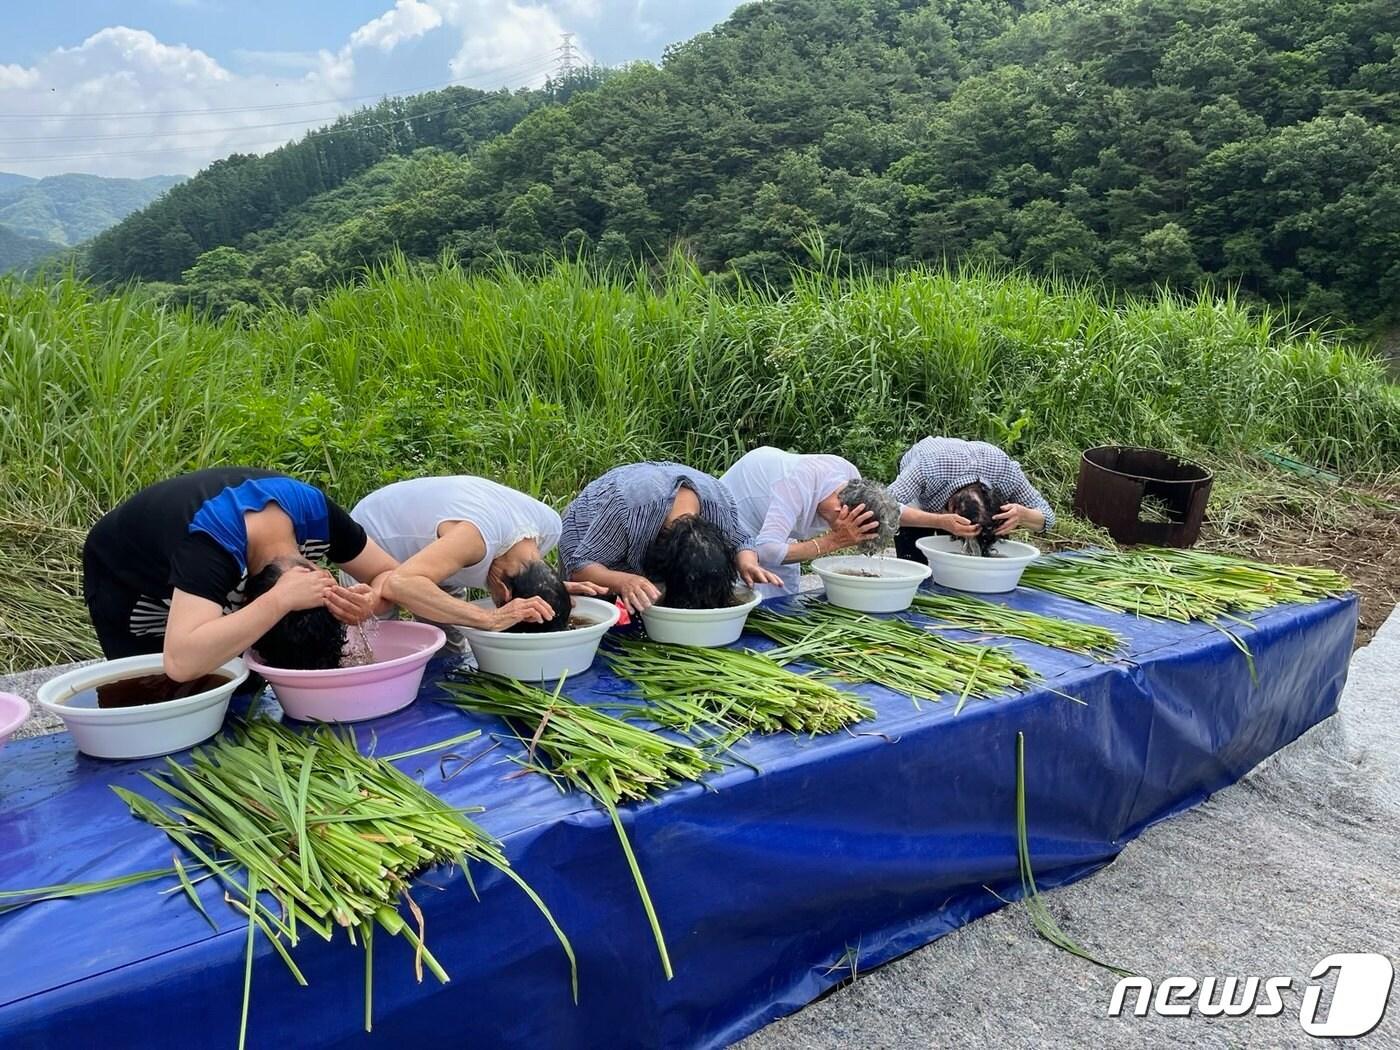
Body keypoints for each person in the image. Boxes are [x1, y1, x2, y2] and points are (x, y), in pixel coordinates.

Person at [82, 468, 396, 680]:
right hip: (129, 577)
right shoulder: (210, 547)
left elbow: (390, 576)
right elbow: (180, 662)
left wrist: (370, 600)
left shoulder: (317, 513)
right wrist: (278, 602)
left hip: (207, 561)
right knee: (159, 691)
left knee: (245, 684)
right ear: (243, 599)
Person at [350, 475, 604, 649]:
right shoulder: (475, 539)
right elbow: (399, 584)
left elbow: (528, 572)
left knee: (449, 646)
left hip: (441, 551)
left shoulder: (550, 526)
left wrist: (552, 590)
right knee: (378, 643)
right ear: (503, 591)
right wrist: (491, 618)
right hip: (375, 537)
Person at [559, 461, 783, 612]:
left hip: (644, 511)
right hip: (588, 532)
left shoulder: (719, 504)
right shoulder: (627, 509)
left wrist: (747, 562)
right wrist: (624, 581)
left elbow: (741, 540)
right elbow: (580, 567)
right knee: (595, 605)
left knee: (646, 600)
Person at [719, 446, 900, 594]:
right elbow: (766, 550)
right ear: (842, 511)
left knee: (783, 590)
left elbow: (887, 507)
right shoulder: (795, 486)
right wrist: (834, 541)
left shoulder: (852, 484)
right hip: (736, 510)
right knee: (742, 590)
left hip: (775, 519)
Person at [888, 437, 1056, 559]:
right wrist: (938, 521)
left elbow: (1048, 516)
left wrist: (1024, 515)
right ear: (952, 509)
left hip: (983, 462)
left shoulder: (1006, 475)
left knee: (977, 551)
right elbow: (883, 508)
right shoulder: (927, 468)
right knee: (916, 555)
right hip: (923, 491)